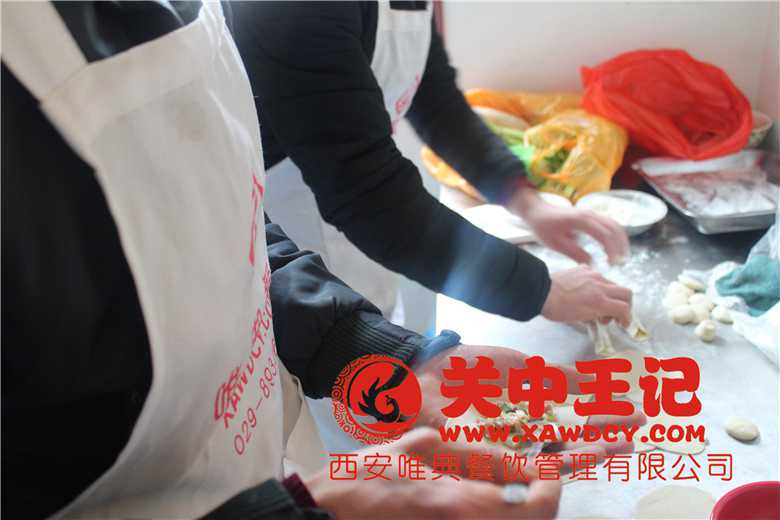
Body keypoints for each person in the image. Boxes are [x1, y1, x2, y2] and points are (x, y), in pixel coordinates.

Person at [1, 2, 643, 518]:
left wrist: (369, 347)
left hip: (251, 441)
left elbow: (225, 221)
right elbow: (366, 188)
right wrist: (310, 508)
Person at [230, 1, 633, 329]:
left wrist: (527, 202)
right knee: (331, 393)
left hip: (355, 239)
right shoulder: (292, 9)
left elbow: (435, 98)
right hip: (288, 255)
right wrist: (541, 290)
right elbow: (370, 198)